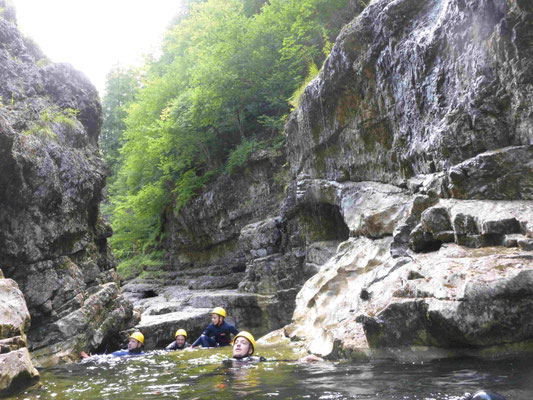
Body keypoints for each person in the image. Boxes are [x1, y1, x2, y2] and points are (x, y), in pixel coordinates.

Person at [80, 331, 145, 358]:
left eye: (133, 342)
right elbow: (105, 357)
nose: (130, 344)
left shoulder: (143, 354)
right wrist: (89, 358)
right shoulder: (122, 352)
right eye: (129, 341)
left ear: (139, 344)